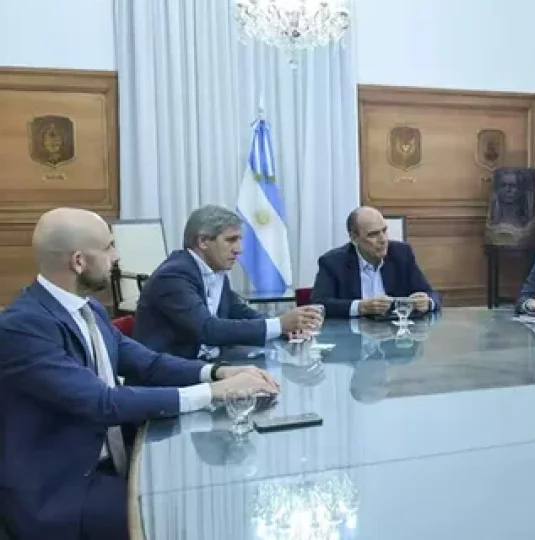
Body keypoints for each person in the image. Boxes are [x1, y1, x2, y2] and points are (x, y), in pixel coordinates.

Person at [0, 207, 280, 540]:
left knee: (214, 485)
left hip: (112, 461)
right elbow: (102, 402)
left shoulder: (89, 308)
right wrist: (213, 393)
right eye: (108, 247)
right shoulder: (23, 326)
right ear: (78, 261)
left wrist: (217, 372)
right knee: (179, 518)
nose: (116, 256)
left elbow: (148, 363)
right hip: (63, 488)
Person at [134, 205, 322, 359]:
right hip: (168, 376)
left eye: (239, 240)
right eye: (231, 240)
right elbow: (207, 329)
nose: (239, 249)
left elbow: (237, 311)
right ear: (203, 242)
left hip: (207, 363)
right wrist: (279, 324)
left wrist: (284, 327)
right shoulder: (174, 275)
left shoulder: (215, 270)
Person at [311, 206, 440, 319]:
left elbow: (431, 294)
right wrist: (361, 307)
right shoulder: (333, 262)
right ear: (354, 238)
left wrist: (428, 302)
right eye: (373, 234)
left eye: (384, 231)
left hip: (394, 334)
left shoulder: (401, 254)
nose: (383, 240)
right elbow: (319, 304)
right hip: (352, 334)